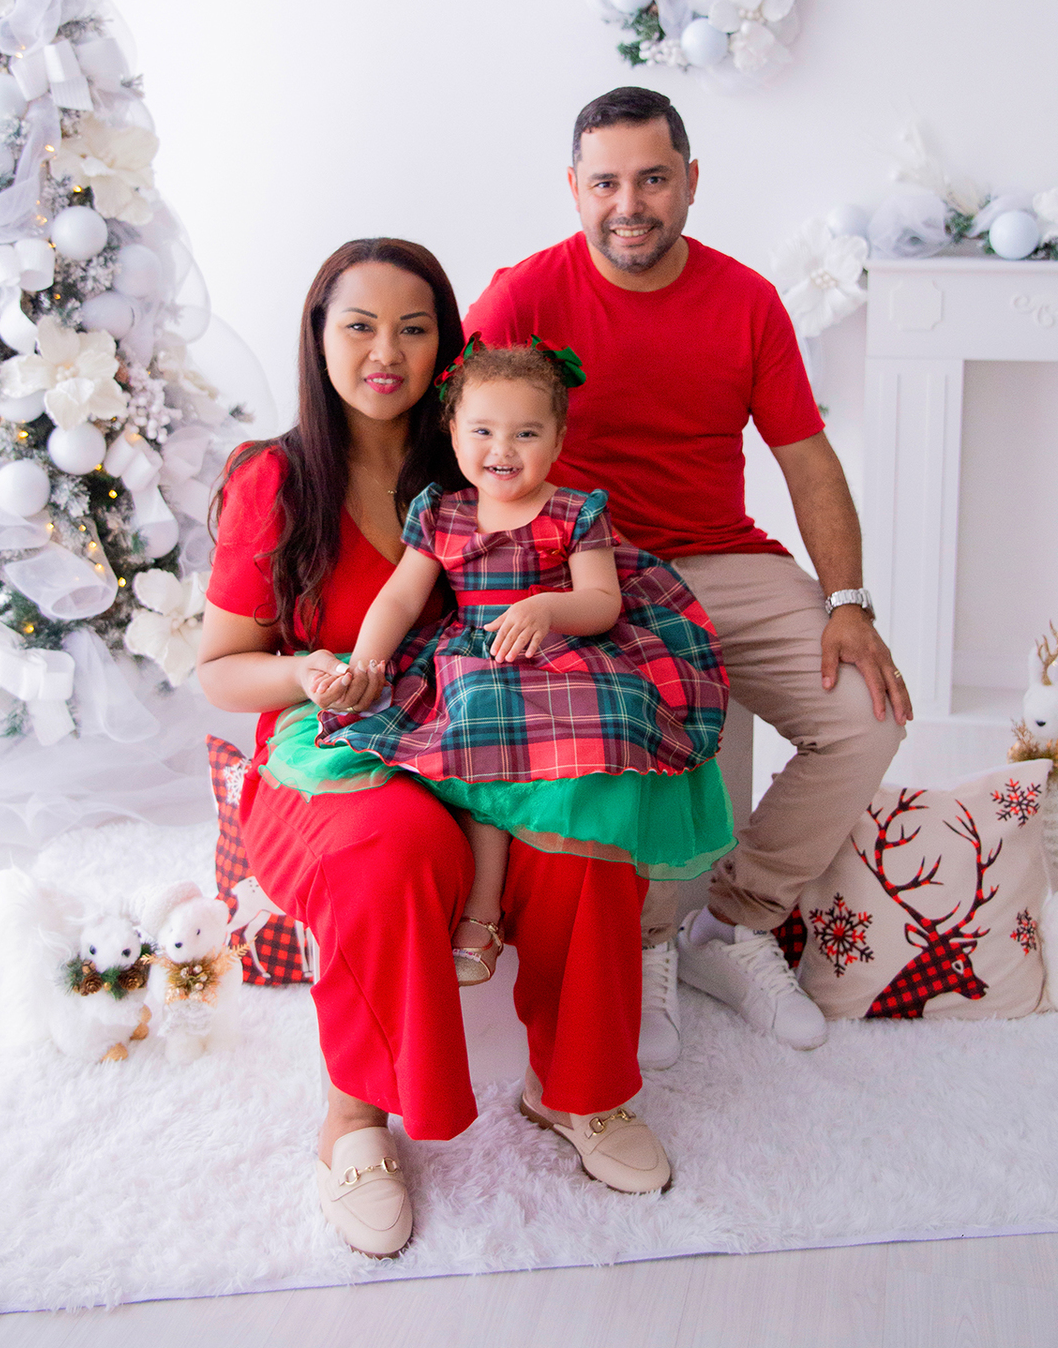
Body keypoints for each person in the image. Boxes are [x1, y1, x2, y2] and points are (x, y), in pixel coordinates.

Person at [197, 239, 674, 1263]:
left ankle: (581, 1092)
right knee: (390, 848)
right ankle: (355, 1117)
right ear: (317, 337)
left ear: (447, 352)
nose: (385, 351)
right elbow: (222, 669)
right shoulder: (274, 478)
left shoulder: (481, 459)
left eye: (414, 329)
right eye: (358, 325)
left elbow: (576, 582)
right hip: (339, 750)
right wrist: (314, 670)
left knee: (582, 836)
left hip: (488, 732)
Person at [464, 88, 913, 1070]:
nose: (632, 203)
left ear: (691, 182)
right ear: (575, 191)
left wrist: (846, 604)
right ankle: (650, 942)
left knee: (869, 713)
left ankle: (731, 920)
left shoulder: (745, 300)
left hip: (724, 557)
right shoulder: (524, 297)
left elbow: (806, 456)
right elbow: (456, 442)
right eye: (608, 182)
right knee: (654, 704)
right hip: (590, 567)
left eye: (654, 178)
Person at [300, 338, 732, 986]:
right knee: (472, 727)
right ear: (453, 432)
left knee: (619, 717)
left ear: (557, 439)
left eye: (525, 433)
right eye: (483, 430)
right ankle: (482, 914)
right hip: (472, 654)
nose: (502, 450)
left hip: (558, 657)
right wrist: (364, 664)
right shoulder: (441, 514)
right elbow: (399, 597)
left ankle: (573, 911)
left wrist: (548, 608)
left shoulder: (573, 512)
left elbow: (602, 602)